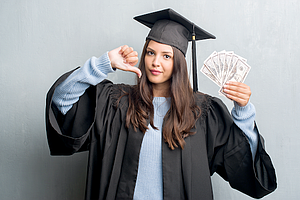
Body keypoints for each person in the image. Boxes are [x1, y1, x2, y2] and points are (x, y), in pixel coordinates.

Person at [45, 8, 276, 200]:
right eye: (150, 52)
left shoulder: (202, 113)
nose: (155, 62)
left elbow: (241, 162)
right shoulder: (117, 101)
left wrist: (243, 111)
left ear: (179, 62)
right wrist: (105, 63)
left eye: (166, 56)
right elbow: (62, 101)